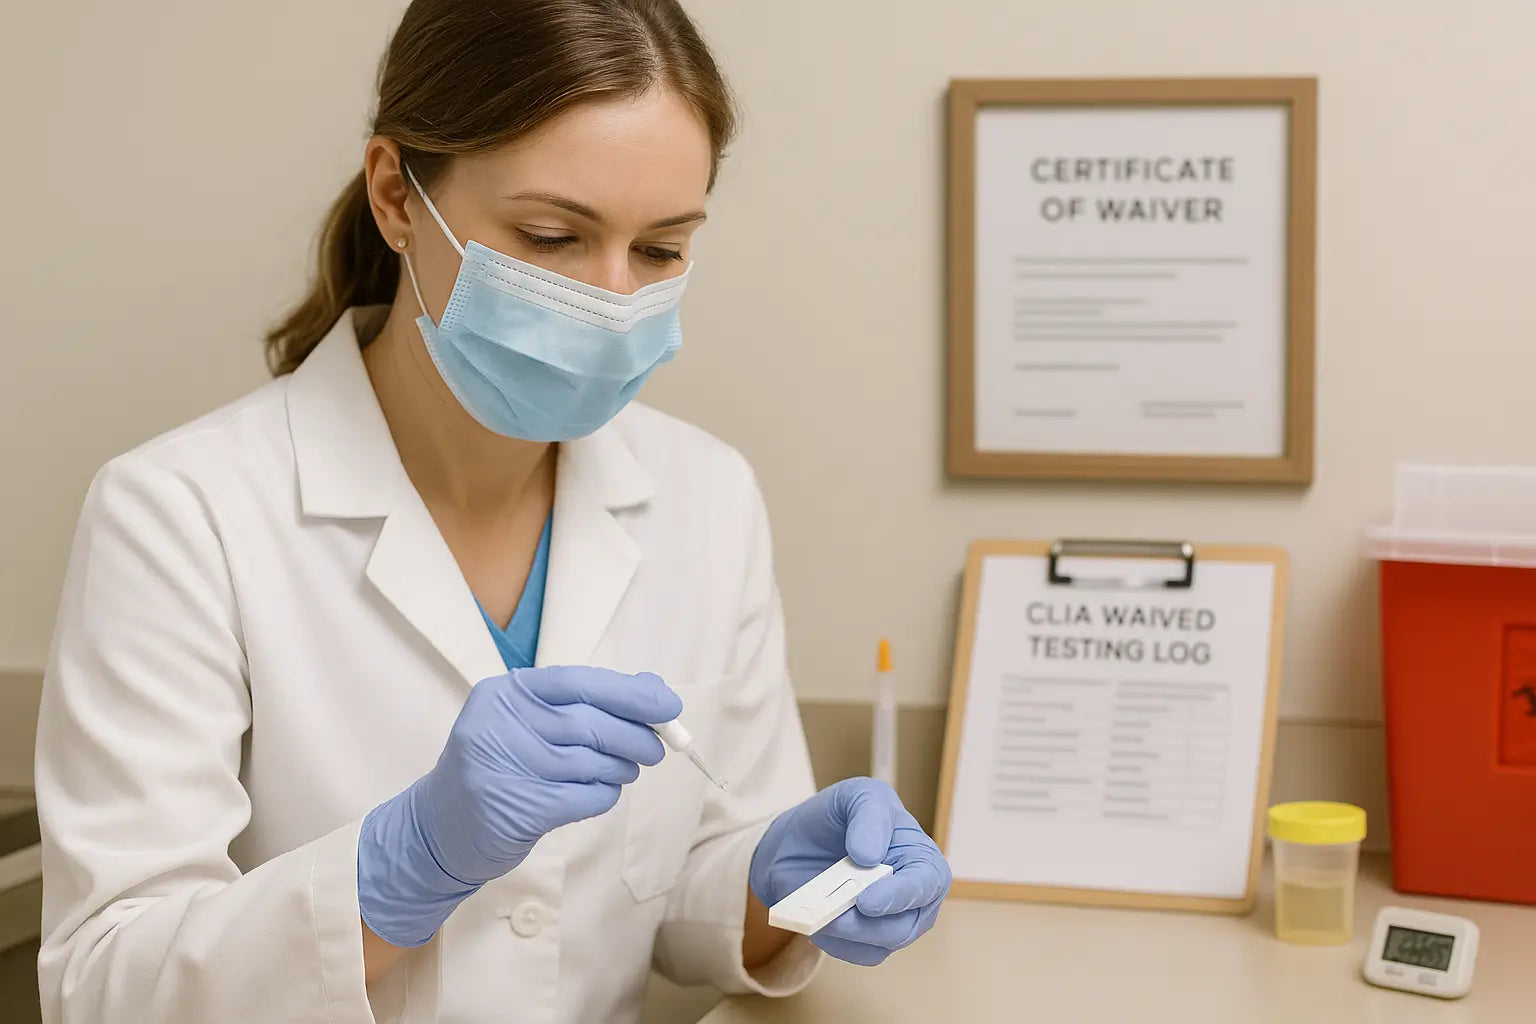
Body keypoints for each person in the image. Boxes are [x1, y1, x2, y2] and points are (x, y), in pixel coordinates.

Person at [33, 1, 951, 1022]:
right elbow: (102, 984)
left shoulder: (709, 497)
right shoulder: (179, 515)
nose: (611, 300)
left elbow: (679, 887)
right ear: (395, 195)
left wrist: (785, 886)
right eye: (552, 235)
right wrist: (406, 862)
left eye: (659, 251)